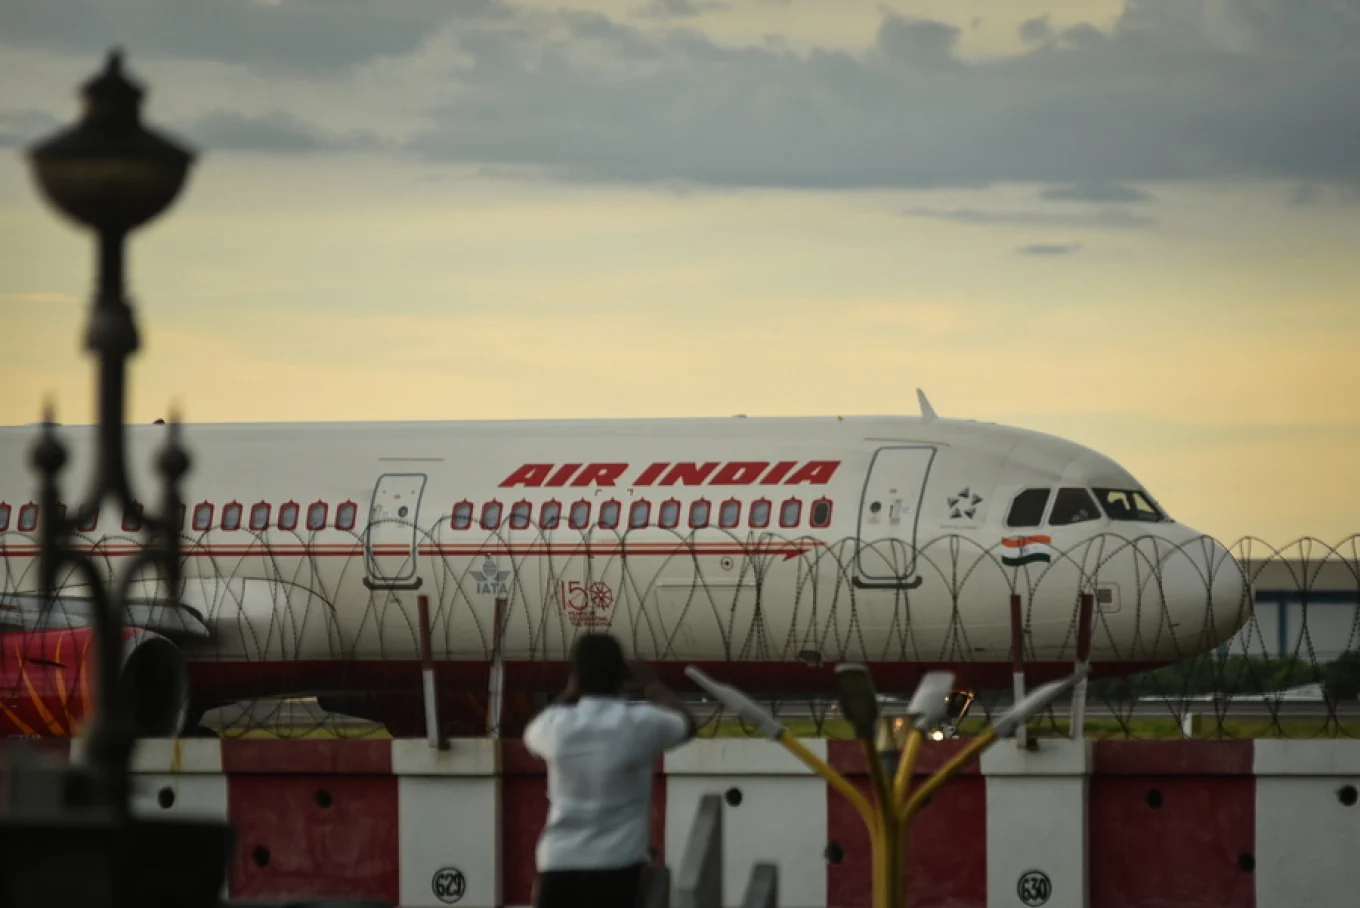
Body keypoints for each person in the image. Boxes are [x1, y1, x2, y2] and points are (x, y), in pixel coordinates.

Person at [524, 633, 698, 908]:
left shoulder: (555, 726)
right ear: (622, 675)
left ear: (576, 675)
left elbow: (532, 732)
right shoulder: (639, 724)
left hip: (558, 863)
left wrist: (572, 689)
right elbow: (687, 724)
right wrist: (652, 684)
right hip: (616, 867)